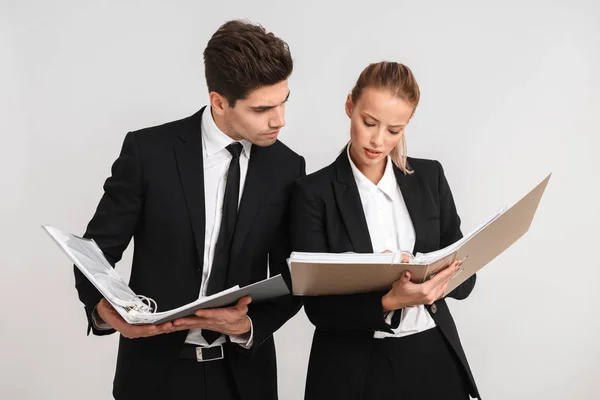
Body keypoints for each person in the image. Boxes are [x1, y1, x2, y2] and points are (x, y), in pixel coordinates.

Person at [74, 20, 305, 400]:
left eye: (284, 101)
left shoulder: (287, 167)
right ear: (219, 101)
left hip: (245, 379)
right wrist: (104, 310)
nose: (280, 119)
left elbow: (292, 276)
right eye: (263, 108)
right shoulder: (149, 152)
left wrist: (248, 323)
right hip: (154, 376)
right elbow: (93, 254)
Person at [290, 61, 480, 400]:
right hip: (355, 369)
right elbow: (317, 309)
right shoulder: (312, 193)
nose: (378, 140)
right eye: (369, 122)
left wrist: (434, 283)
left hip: (433, 356)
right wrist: (389, 300)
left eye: (394, 130)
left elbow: (465, 276)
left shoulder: (429, 178)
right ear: (350, 106)